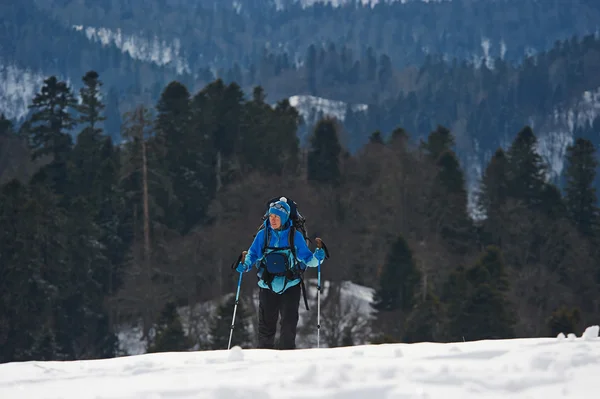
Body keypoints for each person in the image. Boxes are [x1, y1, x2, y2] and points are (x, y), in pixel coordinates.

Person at [236, 197, 326, 349]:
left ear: (284, 218)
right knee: (266, 327)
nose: (273, 220)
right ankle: (264, 359)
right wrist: (245, 265)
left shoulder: (294, 236)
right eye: (271, 216)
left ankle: (287, 361)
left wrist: (318, 259)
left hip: (291, 284)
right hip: (267, 284)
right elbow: (252, 255)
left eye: (276, 217)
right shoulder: (263, 235)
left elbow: (307, 259)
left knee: (289, 326)